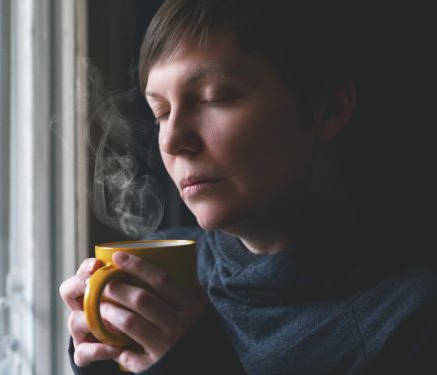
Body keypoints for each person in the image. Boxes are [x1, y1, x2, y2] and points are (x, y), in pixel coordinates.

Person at [60, 0, 437, 373]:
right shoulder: (165, 281)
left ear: (328, 107)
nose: (173, 140)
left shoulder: (412, 320)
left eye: (215, 98)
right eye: (161, 113)